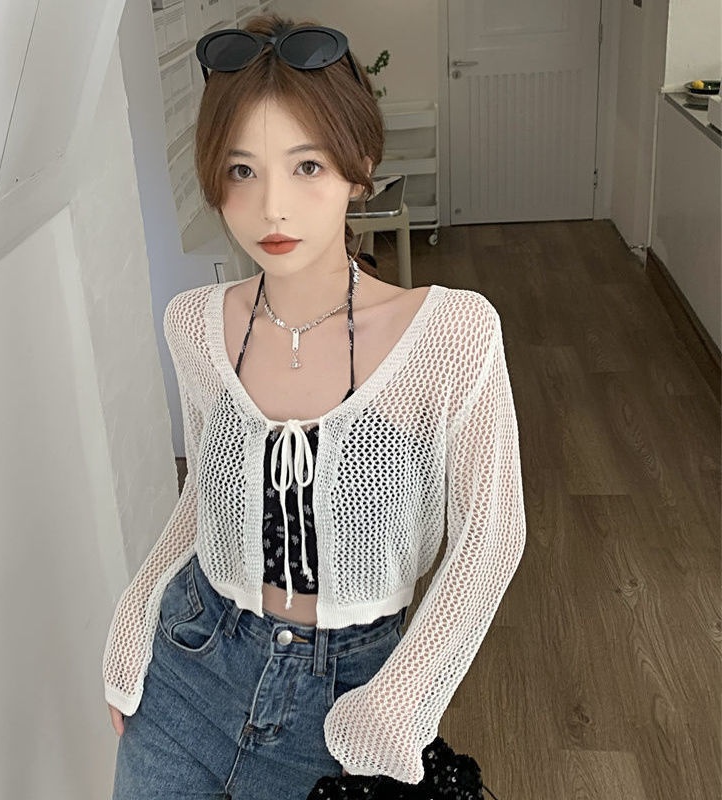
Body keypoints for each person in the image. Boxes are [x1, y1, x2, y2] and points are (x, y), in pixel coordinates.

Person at [103, 13, 525, 800]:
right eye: (241, 170)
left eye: (306, 166)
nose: (272, 208)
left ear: (359, 165)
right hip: (189, 667)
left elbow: (491, 534)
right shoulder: (194, 326)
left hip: (345, 702)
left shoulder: (449, 335)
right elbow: (206, 495)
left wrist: (402, 698)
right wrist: (136, 610)